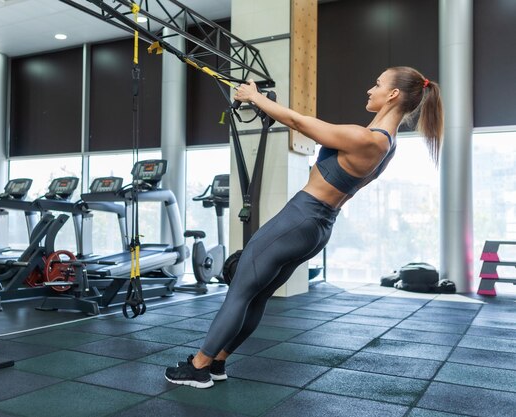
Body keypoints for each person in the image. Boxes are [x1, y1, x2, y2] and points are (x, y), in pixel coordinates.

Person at [165, 66, 444, 388]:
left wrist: (254, 98)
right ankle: (218, 362)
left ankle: (198, 366)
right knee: (257, 296)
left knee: (240, 289)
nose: (371, 89)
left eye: (378, 84)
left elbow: (298, 123)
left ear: (393, 94)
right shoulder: (388, 144)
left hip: (299, 218)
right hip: (318, 227)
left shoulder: (365, 138)